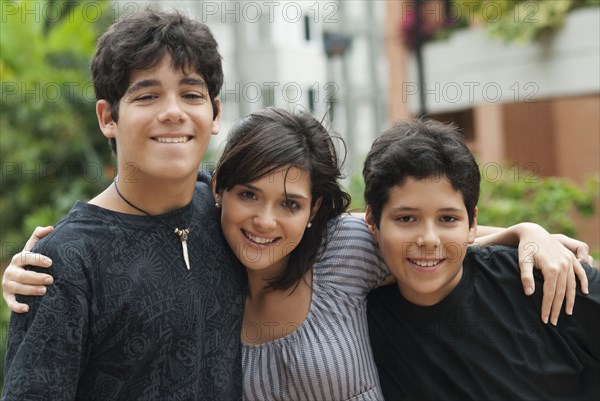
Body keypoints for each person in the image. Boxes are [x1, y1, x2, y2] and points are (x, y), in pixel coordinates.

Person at [3, 107, 593, 400]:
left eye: (288, 203)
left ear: (314, 211)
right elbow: (126, 230)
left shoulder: (342, 249)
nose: (263, 221)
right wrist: (51, 259)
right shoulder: (200, 254)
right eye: (247, 196)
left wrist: (525, 231)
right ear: (219, 194)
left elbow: (422, 239)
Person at [2, 9, 246, 400]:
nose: (173, 112)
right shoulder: (65, 263)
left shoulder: (231, 215)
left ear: (215, 113)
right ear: (107, 118)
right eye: (147, 95)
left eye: (191, 94)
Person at [363, 119, 600, 400]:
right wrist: (520, 229)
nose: (428, 239)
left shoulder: (546, 279)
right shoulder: (358, 313)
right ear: (372, 223)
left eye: (447, 219)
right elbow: (322, 223)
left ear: (472, 222)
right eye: (406, 218)